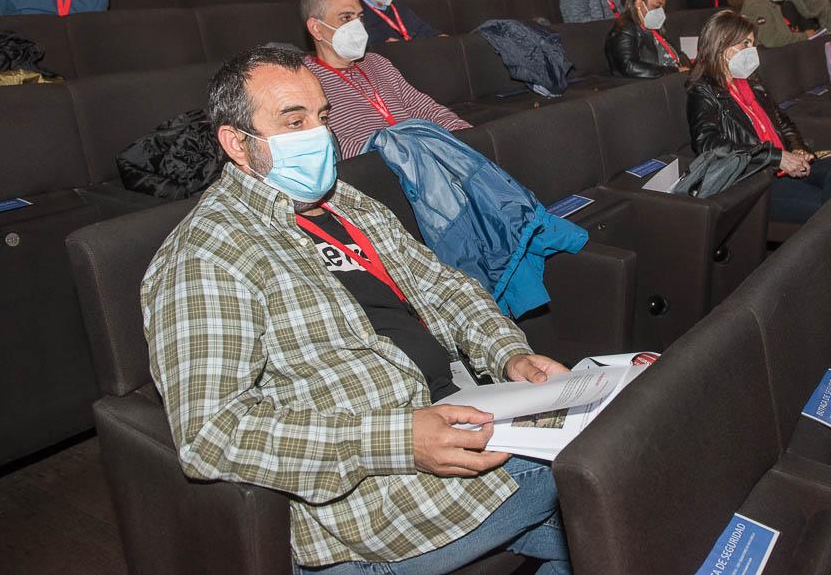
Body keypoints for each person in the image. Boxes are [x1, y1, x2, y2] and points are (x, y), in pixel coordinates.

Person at [142, 45, 572, 575]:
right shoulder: (207, 256)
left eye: (322, 117)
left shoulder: (343, 201)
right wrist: (401, 440)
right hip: (382, 495)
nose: (318, 136)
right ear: (235, 142)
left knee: (617, 448)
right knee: (618, 467)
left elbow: (442, 286)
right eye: (292, 121)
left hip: (462, 405)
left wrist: (509, 355)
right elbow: (212, 434)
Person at [688, 10, 831, 224]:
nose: (752, 50)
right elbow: (709, 145)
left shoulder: (750, 80)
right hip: (756, 177)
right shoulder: (703, 90)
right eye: (745, 44)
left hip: (783, 162)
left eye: (752, 43)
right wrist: (776, 157)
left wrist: (797, 148)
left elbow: (781, 120)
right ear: (723, 46)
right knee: (829, 207)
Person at [301, 0, 471, 158]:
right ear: (316, 28)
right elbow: (333, 146)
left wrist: (465, 136)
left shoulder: (377, 63)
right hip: (380, 170)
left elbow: (424, 107)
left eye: (359, 18)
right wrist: (397, 156)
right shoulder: (304, 82)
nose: (357, 26)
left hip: (423, 155)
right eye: (346, 18)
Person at [604, 0, 689, 79]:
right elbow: (628, 66)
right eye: (656, 7)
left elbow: (677, 54)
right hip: (650, 84)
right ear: (639, 3)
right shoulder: (625, 28)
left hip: (670, 78)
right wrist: (674, 71)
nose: (661, 12)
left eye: (663, 8)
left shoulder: (653, 27)